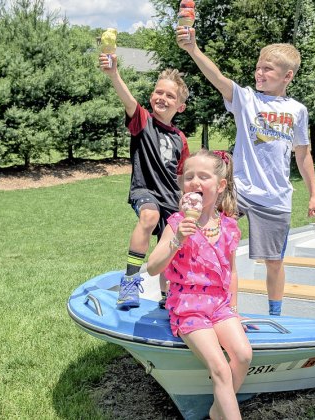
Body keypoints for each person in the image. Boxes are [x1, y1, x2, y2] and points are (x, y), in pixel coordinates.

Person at [177, 29, 315, 316]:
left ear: (287, 76)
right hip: (239, 191)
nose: (259, 72)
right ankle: (208, 303)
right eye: (258, 67)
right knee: (209, 241)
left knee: (273, 261)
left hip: (275, 198)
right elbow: (217, 78)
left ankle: (275, 315)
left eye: (267, 69)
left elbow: (303, 155)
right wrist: (193, 48)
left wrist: (313, 195)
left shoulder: (297, 111)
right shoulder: (246, 99)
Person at [147, 149, 252, 420]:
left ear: (220, 186)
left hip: (218, 304)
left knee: (242, 355)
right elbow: (152, 267)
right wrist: (177, 240)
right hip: (188, 305)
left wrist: (235, 308)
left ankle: (218, 412)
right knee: (219, 367)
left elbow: (232, 272)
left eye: (203, 176)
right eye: (189, 176)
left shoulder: (228, 226)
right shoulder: (177, 223)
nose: (194, 182)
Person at [99, 53, 190, 310]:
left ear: (180, 107)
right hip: (145, 190)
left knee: (168, 249)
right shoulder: (142, 121)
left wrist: (186, 202)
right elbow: (128, 100)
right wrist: (114, 74)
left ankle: (167, 296)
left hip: (171, 198)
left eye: (170, 96)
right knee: (149, 217)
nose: (162, 97)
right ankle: (129, 283)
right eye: (158, 92)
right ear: (152, 96)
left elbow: (182, 176)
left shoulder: (180, 138)